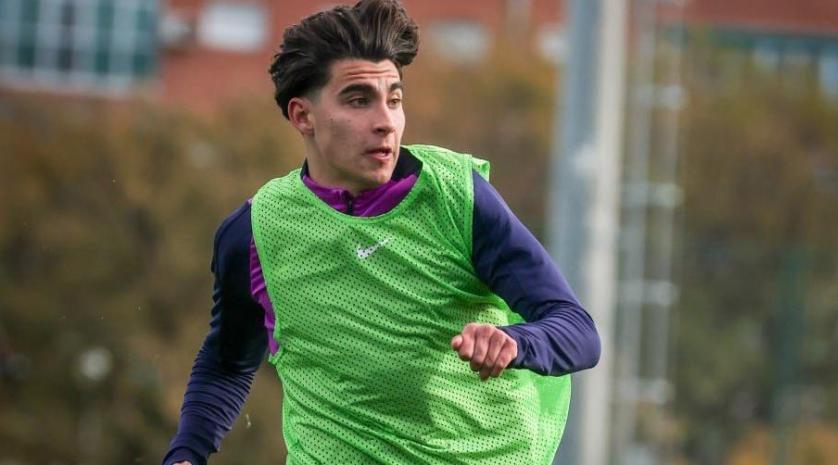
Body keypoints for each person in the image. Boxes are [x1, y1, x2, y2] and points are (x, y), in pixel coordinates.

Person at [162, 1, 600, 464]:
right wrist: (187, 453)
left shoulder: (458, 198)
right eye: (358, 100)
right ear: (302, 116)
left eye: (394, 99)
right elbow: (227, 362)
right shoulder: (254, 232)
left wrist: (516, 342)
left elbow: (578, 331)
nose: (385, 121)